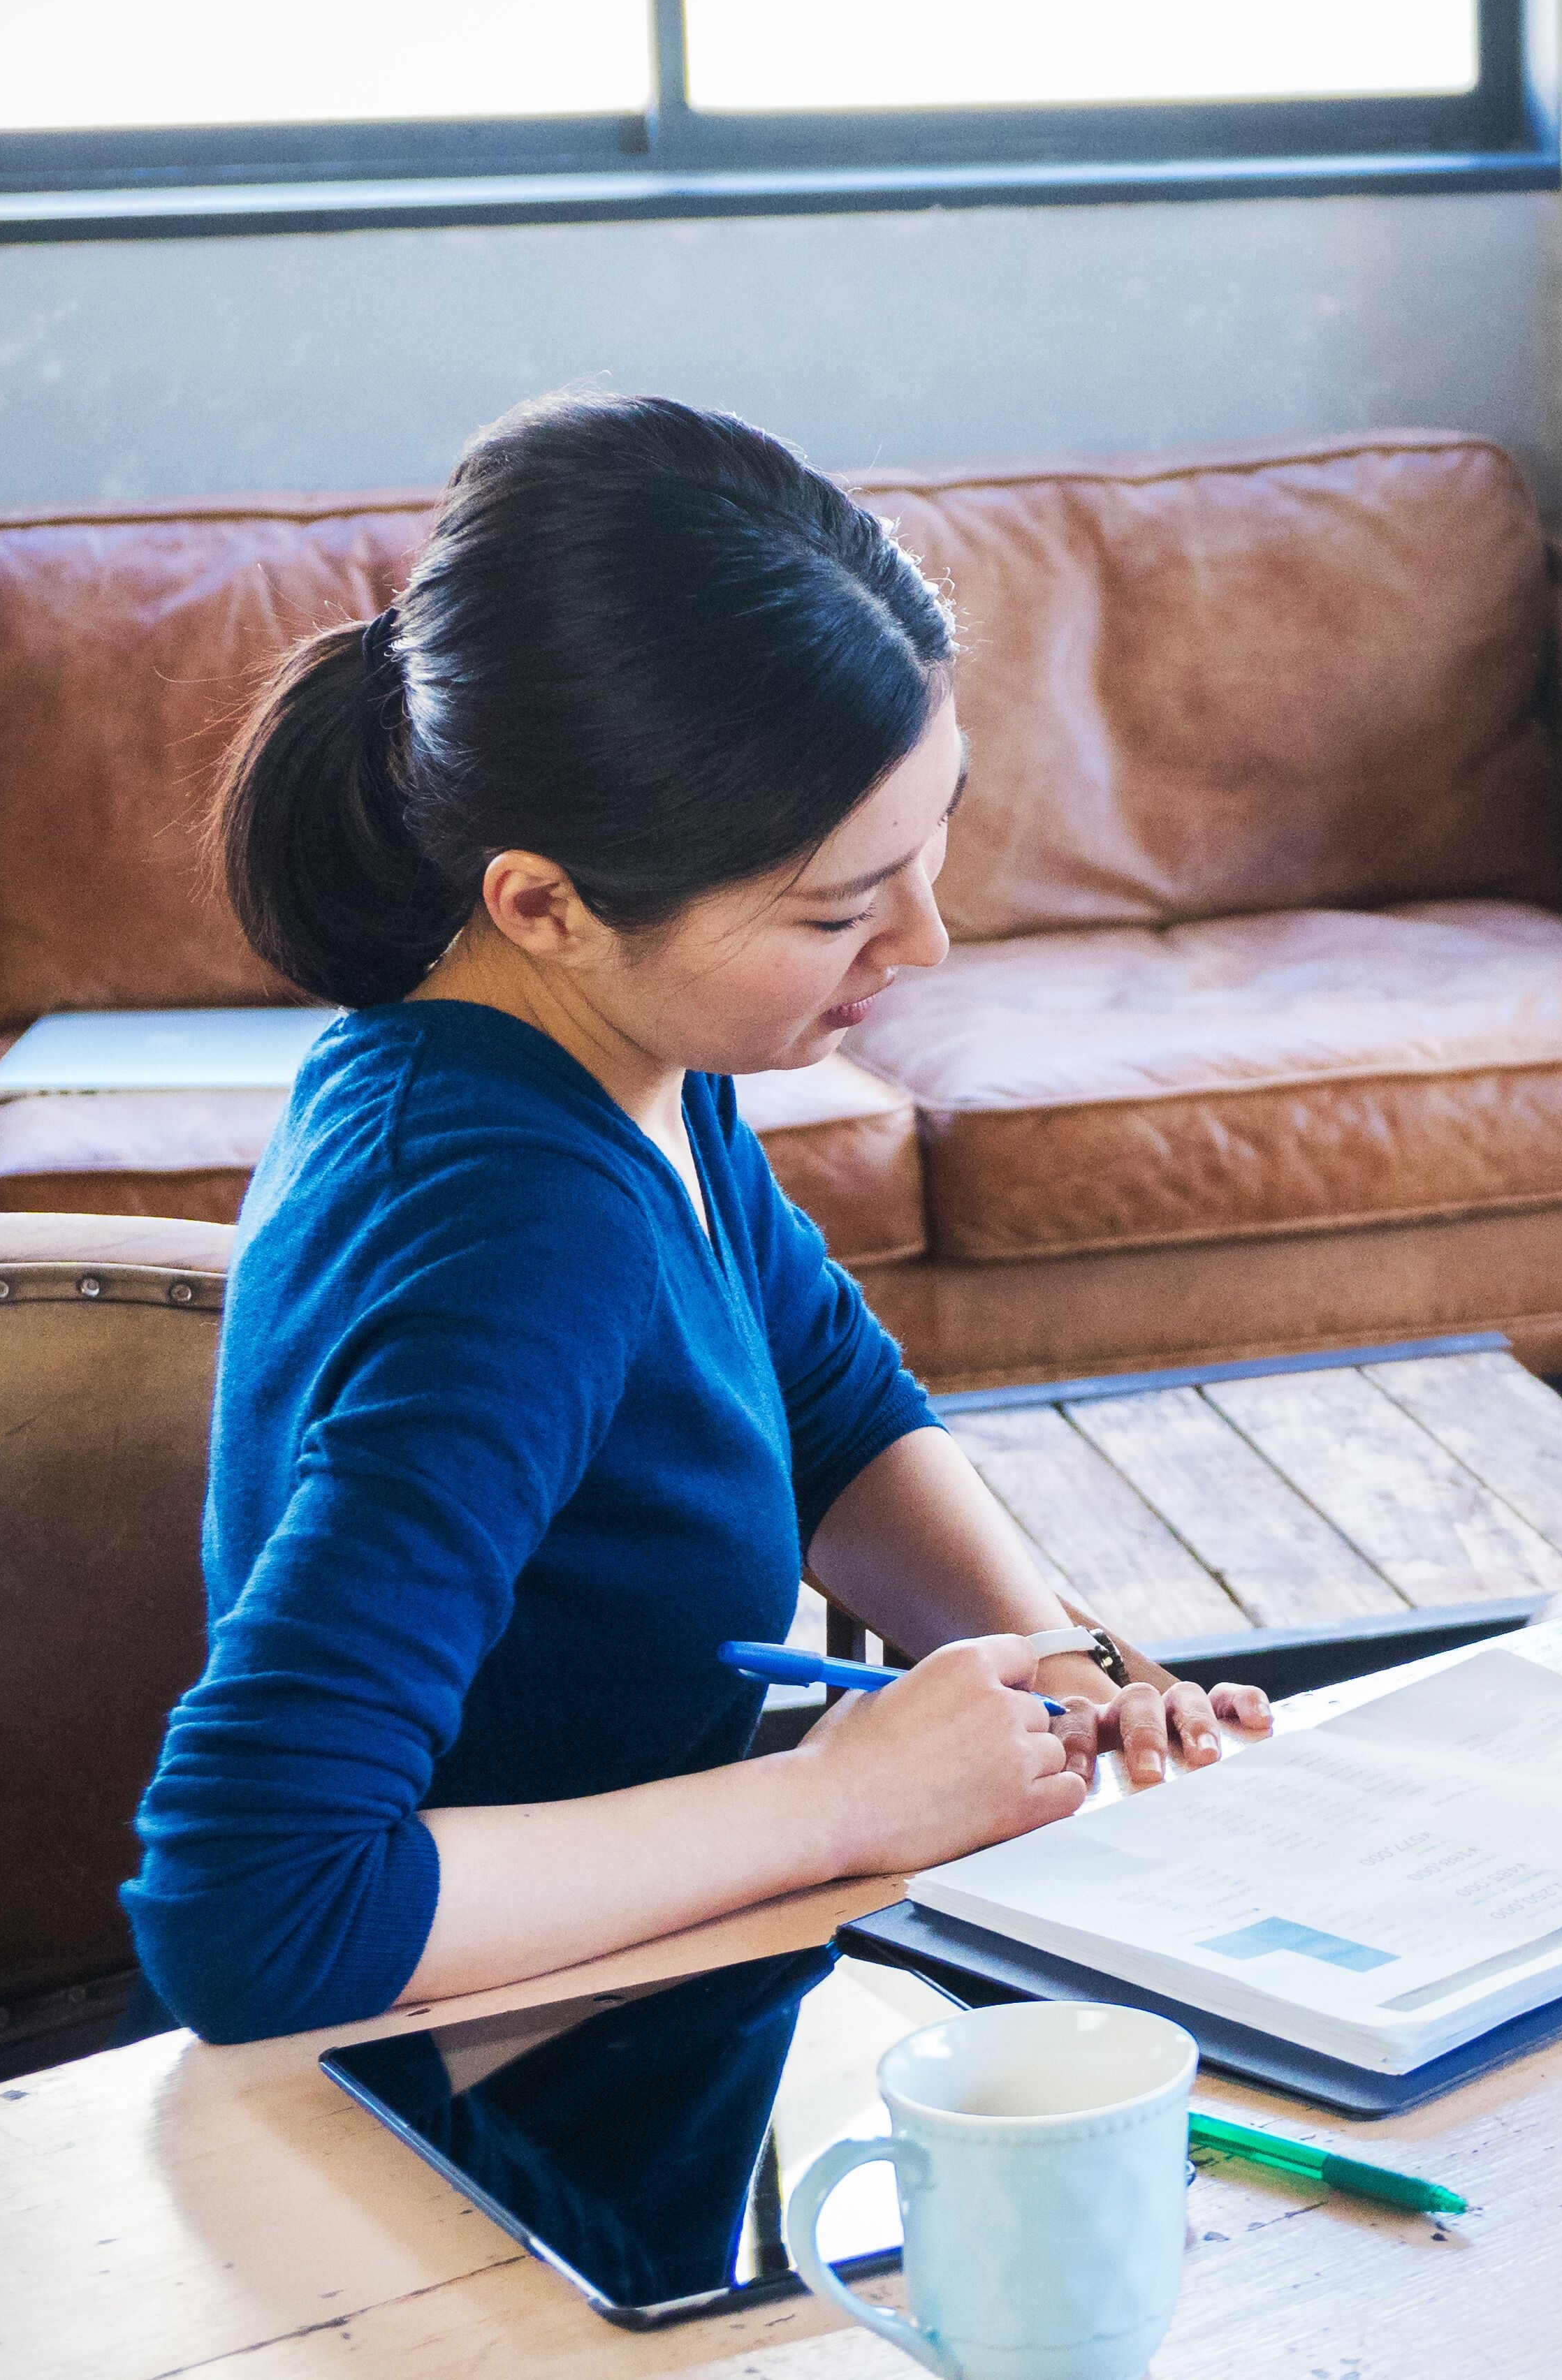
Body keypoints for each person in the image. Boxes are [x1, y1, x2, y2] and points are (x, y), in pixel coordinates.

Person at [126, 395, 1269, 2045]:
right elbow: (250, 1903)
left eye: (929, 848)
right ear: (547, 903)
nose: (926, 943)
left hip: (670, 2005)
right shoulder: (514, 1233)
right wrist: (841, 1799)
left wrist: (1077, 1673)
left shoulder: (612, 1054)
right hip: (501, 2104)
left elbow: (828, 1410)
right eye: (838, 909)